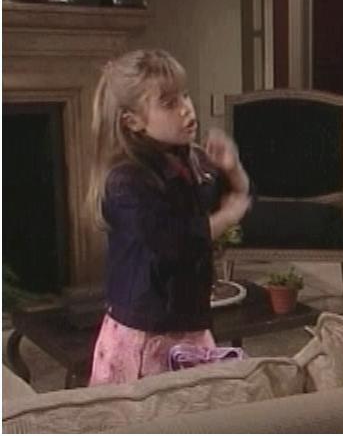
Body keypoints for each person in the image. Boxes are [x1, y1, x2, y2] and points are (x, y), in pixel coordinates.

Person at [85, 49, 251, 384]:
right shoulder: (126, 180)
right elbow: (173, 241)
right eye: (169, 103)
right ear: (133, 121)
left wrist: (233, 170)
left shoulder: (190, 159)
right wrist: (225, 218)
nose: (186, 108)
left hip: (187, 320)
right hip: (145, 331)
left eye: (185, 96)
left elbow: (237, 196)